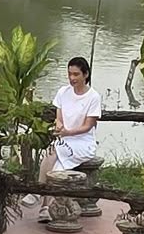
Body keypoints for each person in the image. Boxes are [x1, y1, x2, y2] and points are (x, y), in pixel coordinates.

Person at [35, 57, 102, 215]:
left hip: (82, 143)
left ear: (85, 74)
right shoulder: (63, 92)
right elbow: (58, 118)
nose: (72, 78)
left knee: (54, 150)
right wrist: (59, 126)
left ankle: (38, 191)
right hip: (65, 140)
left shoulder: (93, 97)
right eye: (70, 74)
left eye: (76, 74)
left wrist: (68, 132)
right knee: (55, 164)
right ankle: (45, 208)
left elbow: (88, 126)